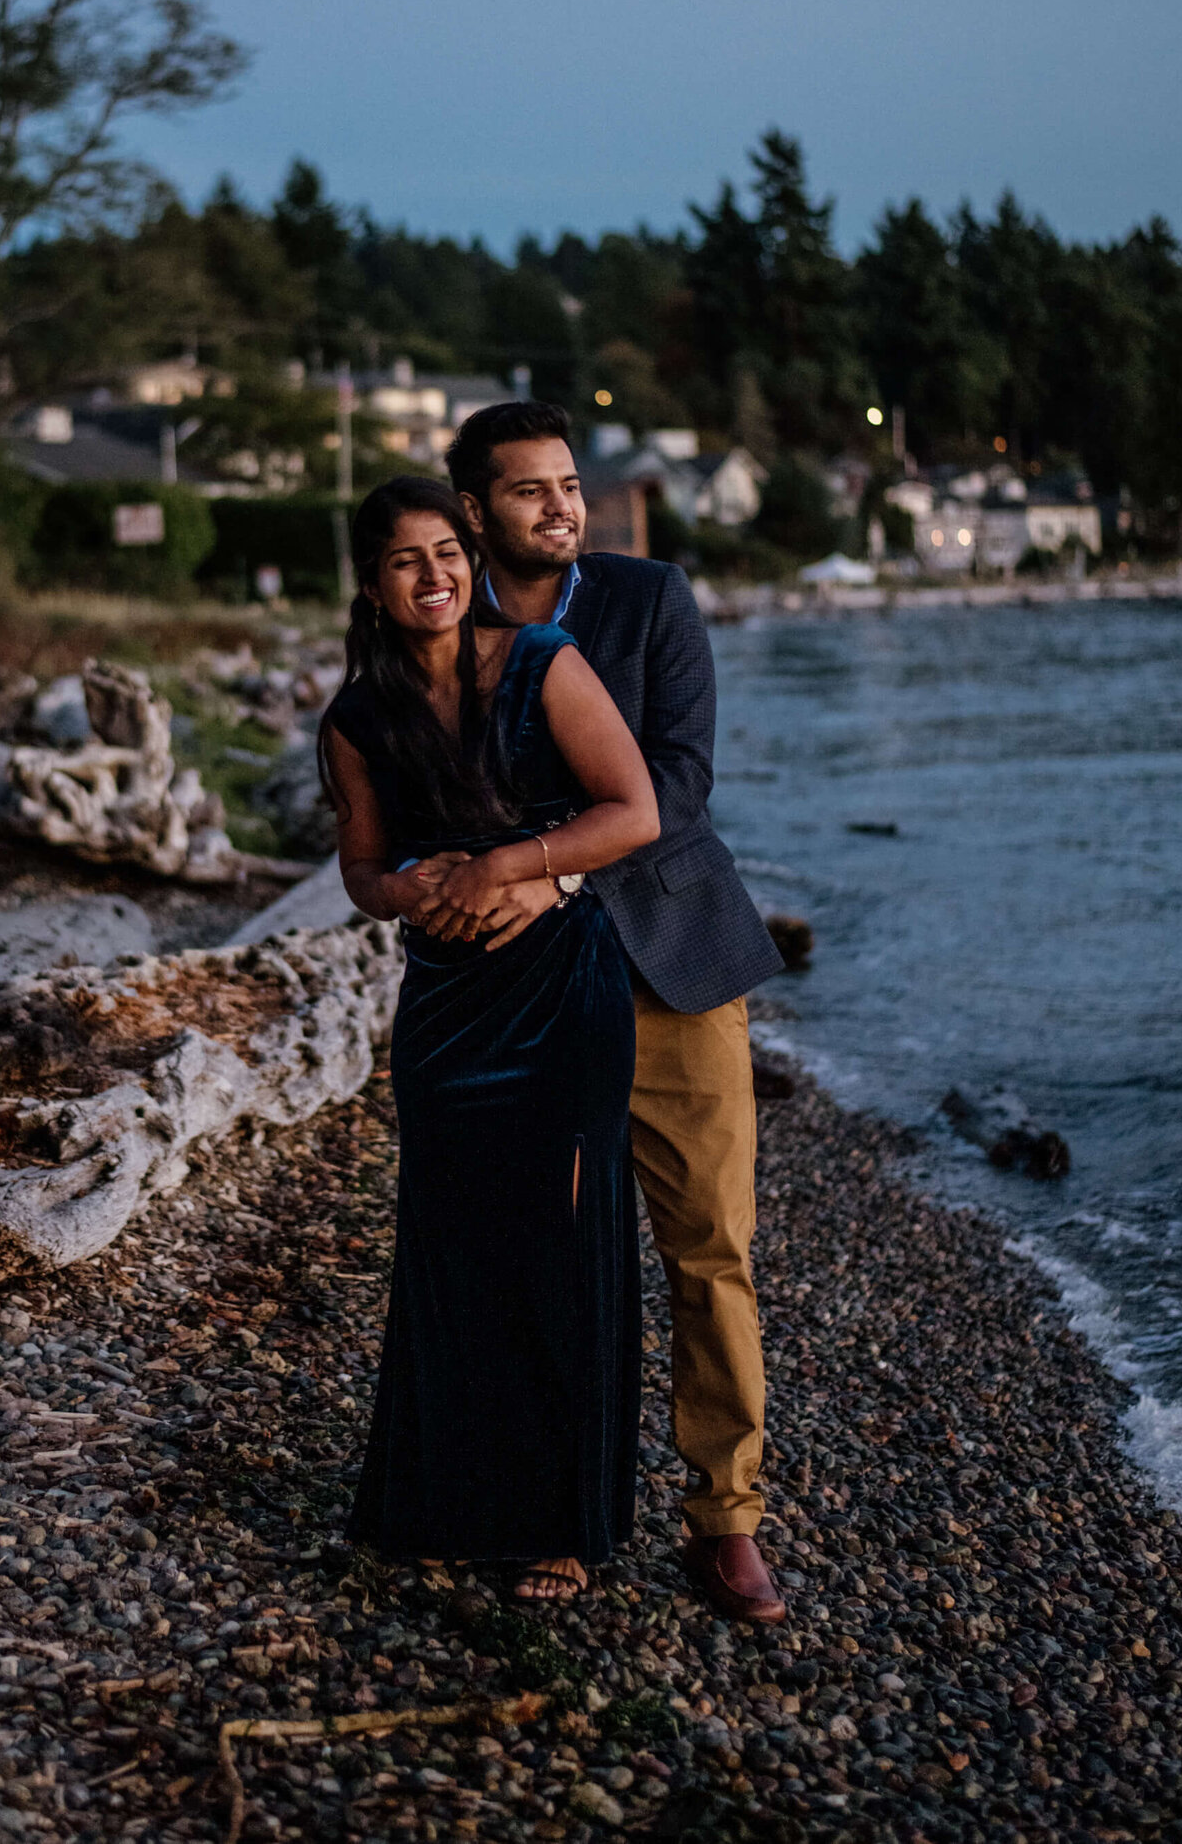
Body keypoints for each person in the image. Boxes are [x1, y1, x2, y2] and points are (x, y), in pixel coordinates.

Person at [432, 399, 790, 1626]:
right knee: (545, 1259)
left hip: (674, 967)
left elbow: (679, 784)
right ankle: (559, 1508)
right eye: (530, 490)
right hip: (520, 995)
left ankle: (726, 1517)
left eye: (569, 483)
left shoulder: (651, 601)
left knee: (711, 1249)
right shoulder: (446, 622)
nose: (562, 507)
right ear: (474, 510)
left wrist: (546, 869)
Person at [321, 475, 660, 1600]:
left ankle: (562, 1518)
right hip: (447, 1008)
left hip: (563, 987)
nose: (437, 577)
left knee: (563, 1241)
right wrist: (412, 888)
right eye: (408, 560)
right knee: (456, 1251)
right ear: (372, 582)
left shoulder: (542, 662)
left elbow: (633, 809)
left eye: (450, 554)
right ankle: (449, 1501)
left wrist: (513, 867)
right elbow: (363, 872)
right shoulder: (357, 718)